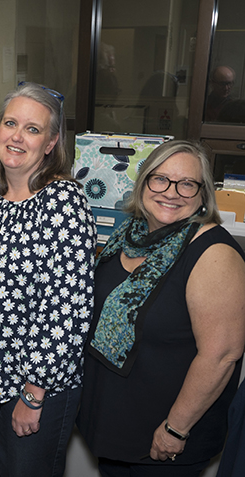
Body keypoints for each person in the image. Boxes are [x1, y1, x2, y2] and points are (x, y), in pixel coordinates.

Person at [77, 140, 245, 476]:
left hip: (165, 439)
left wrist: (175, 429)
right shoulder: (129, 233)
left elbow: (221, 355)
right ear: (144, 183)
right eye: (161, 179)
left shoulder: (213, 253)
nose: (172, 192)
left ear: (202, 195)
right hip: (115, 428)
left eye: (187, 183)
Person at [0, 81, 97, 477]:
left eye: (32, 129)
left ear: (51, 143)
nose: (17, 136)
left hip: (37, 386)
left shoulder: (63, 203)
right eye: (10, 123)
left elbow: (67, 309)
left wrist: (34, 394)